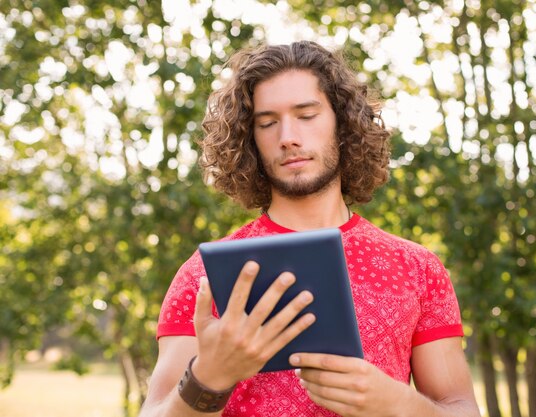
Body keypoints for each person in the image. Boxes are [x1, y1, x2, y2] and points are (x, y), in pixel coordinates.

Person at [139, 40, 480, 417]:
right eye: (267, 122)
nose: (287, 137)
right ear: (249, 138)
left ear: (343, 122)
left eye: (306, 115)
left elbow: (460, 408)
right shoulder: (203, 276)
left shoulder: (419, 268)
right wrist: (209, 377)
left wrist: (399, 404)